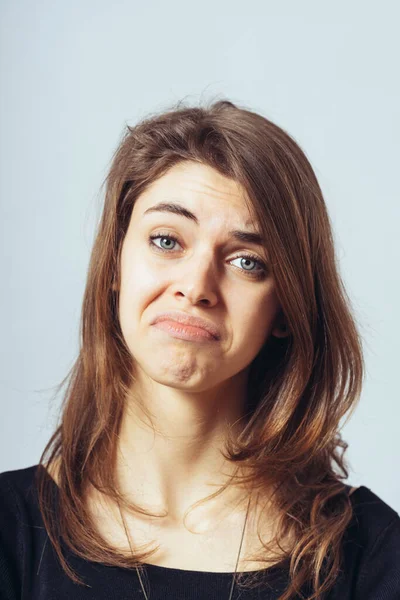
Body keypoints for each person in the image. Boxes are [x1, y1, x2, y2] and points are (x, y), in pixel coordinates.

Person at [0, 99, 399, 600]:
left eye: (247, 261)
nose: (196, 286)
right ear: (115, 266)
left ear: (285, 309)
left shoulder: (372, 554)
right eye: (167, 240)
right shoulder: (10, 530)